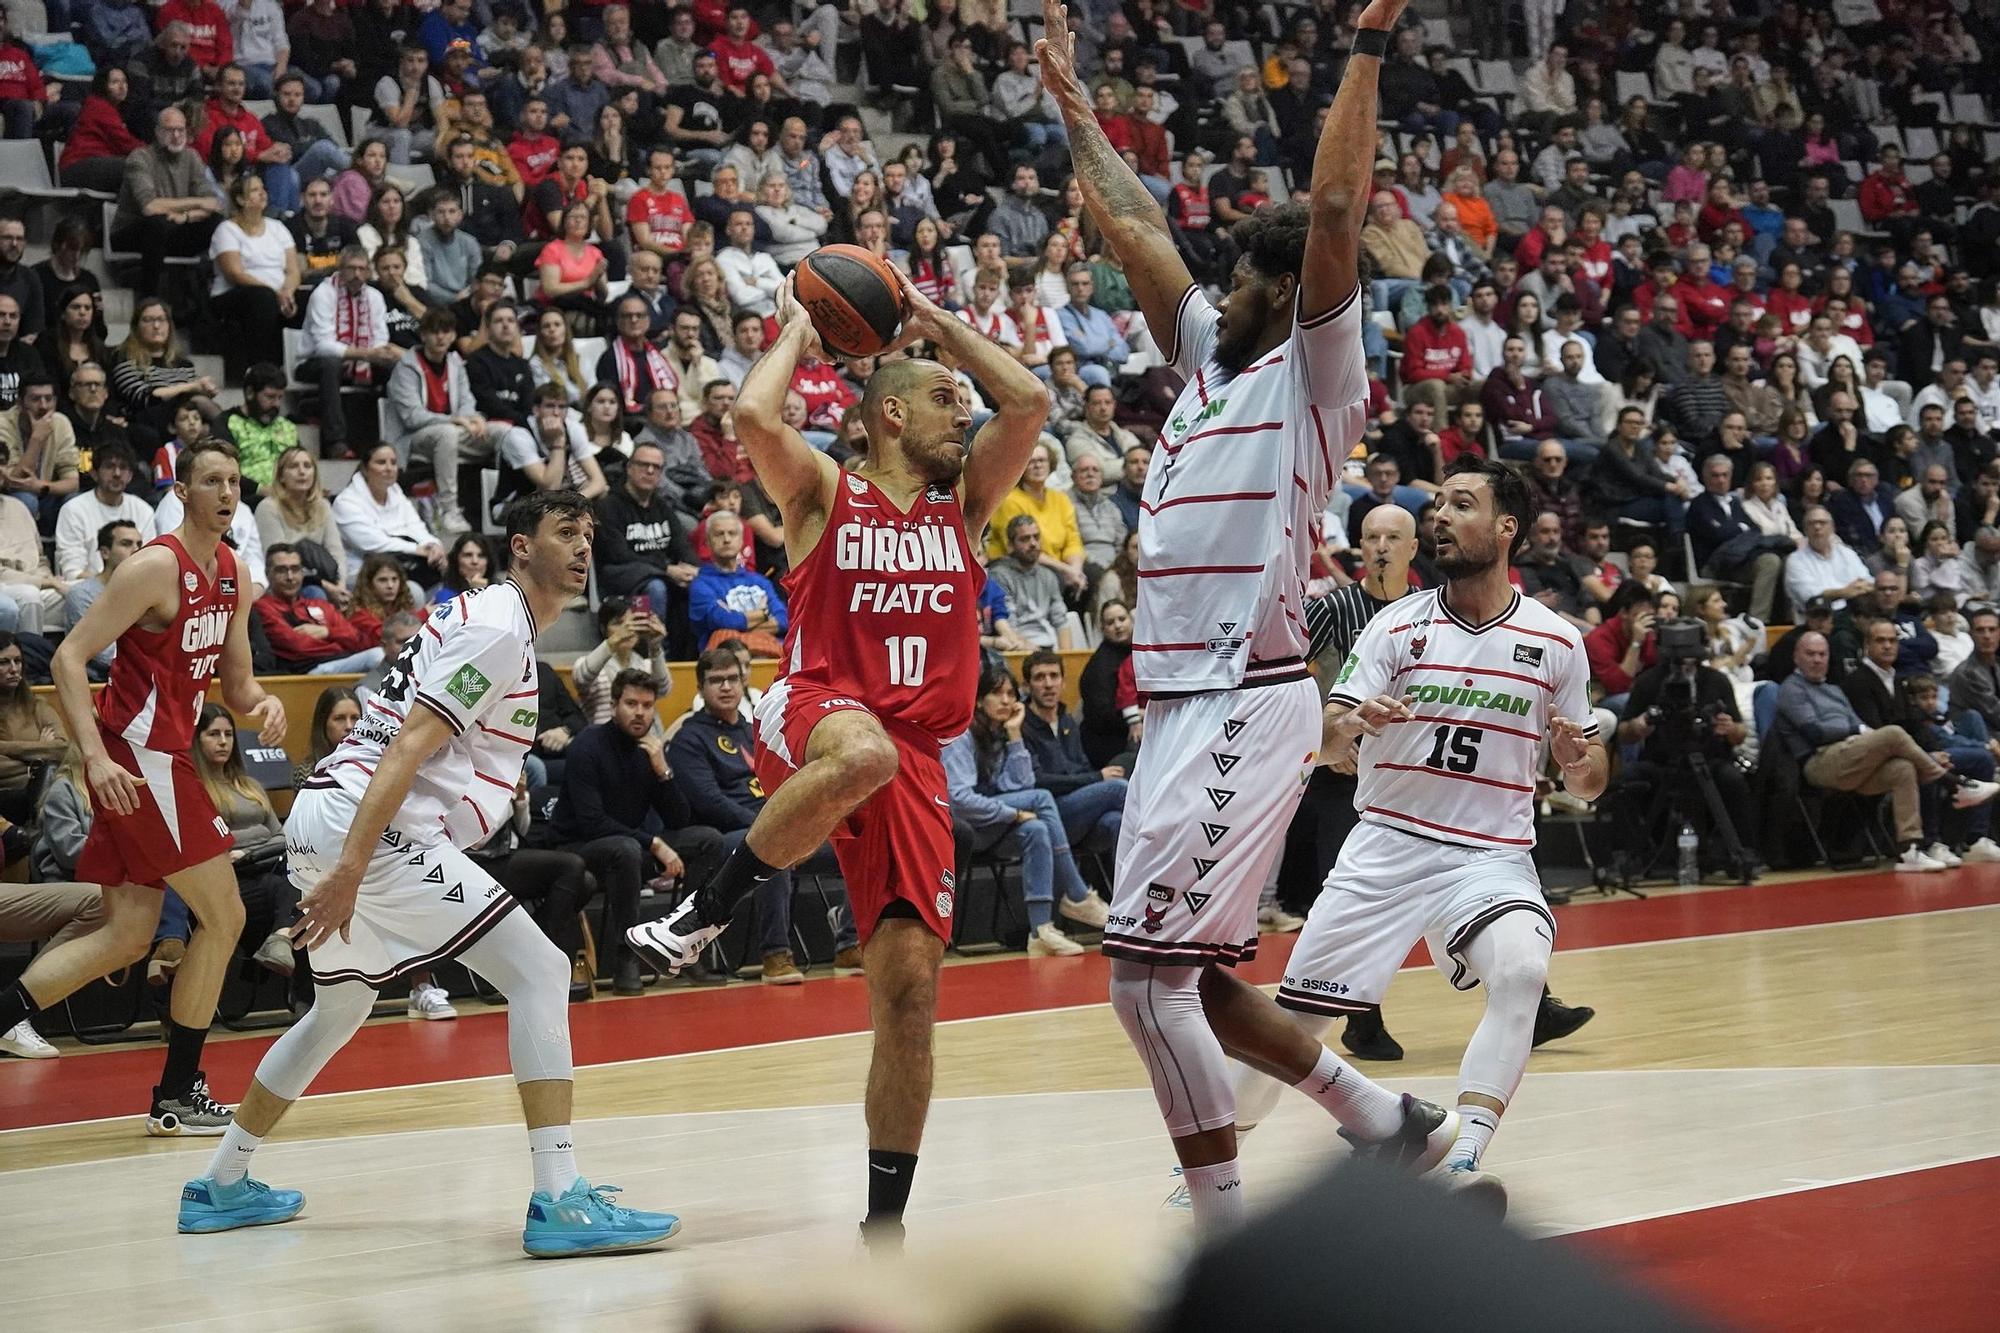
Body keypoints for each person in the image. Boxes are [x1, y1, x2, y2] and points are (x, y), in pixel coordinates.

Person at [1003, 0, 1485, 1234]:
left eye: (1239, 278)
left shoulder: (1309, 374)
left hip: (1240, 698)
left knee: (1141, 987)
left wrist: (1366, 45)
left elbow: (1331, 213)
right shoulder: (1211, 358)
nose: (1213, 289)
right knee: (1198, 986)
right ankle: (1389, 1127)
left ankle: (1223, 1243)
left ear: (1279, 292)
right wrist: (1069, 102)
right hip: (1179, 706)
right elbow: (1132, 219)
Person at [625, 223, 1047, 1245]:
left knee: (907, 995)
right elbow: (754, 412)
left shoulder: (967, 502)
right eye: (947, 398)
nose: (967, 408)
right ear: (889, 414)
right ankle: (705, 911)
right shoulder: (823, 491)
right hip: (814, 712)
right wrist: (798, 326)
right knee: (857, 750)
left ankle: (882, 1228)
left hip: (915, 762)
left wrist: (933, 320)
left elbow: (1028, 401)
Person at [201, 493, 678, 1250]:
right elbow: (408, 746)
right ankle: (560, 1199)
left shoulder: (491, 619)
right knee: (543, 972)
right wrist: (355, 868)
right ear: (520, 546)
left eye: (590, 535)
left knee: (337, 1010)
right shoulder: (496, 626)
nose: (584, 548)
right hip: (368, 824)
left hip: (334, 815)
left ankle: (222, 1183)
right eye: (566, 533)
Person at [0, 441, 286, 1137]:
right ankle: (179, 1091)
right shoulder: (156, 565)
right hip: (137, 757)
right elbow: (68, 658)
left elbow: (238, 684)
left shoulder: (234, 573)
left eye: (234, 480)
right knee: (225, 918)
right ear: (182, 492)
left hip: (165, 758)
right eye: (210, 481)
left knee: (128, 933)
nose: (226, 491)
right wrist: (94, 759)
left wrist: (260, 705)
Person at [670, 647, 861, 984]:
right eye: (716, 681)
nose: (726, 687)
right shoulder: (690, 737)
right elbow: (708, 801)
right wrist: (776, 831)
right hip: (728, 833)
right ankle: (775, 954)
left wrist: (802, 828)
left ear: (744, 682)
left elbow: (793, 781)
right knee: (774, 855)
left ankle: (849, 943)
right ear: (700, 688)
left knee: (858, 842)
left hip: (785, 825)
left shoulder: (755, 728)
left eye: (732, 679)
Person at [1774, 630, 1996, 872]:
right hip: (1819, 761)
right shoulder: (1791, 688)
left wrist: (1863, 733)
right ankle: (1954, 783)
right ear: (1796, 657)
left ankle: (1909, 850)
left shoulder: (1834, 690)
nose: (1817, 660)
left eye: (1822, 654)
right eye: (1810, 654)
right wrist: (1857, 730)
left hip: (1853, 757)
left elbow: (1860, 727)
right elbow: (1816, 732)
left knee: (1902, 768)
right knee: (1892, 733)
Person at [943, 664, 1102, 957]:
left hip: (991, 825)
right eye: (997, 694)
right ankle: (1077, 894)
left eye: (1011, 694)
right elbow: (959, 799)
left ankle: (1040, 931)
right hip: (960, 830)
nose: (1006, 701)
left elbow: (1019, 785)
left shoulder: (999, 732)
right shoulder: (961, 735)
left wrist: (1015, 735)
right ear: (978, 700)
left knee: (1036, 829)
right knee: (1041, 799)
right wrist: (1012, 814)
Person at [254, 544, 383, 675]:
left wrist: (328, 632)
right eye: (281, 570)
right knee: (378, 656)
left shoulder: (321, 605)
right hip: (307, 671)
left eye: (295, 569)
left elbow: (358, 640)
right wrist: (340, 645)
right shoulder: (263, 607)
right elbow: (298, 646)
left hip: (341, 662)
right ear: (267, 573)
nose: (290, 577)